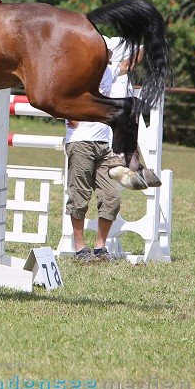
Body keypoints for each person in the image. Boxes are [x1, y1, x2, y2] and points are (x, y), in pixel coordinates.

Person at [64, 37, 141, 262]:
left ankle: (100, 247)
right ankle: (80, 248)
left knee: (111, 197)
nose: (106, 55)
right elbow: (58, 94)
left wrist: (149, 35)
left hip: (105, 144)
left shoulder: (109, 71)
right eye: (103, 51)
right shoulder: (76, 70)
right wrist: (68, 113)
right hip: (80, 143)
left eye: (107, 52)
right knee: (79, 197)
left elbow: (131, 63)